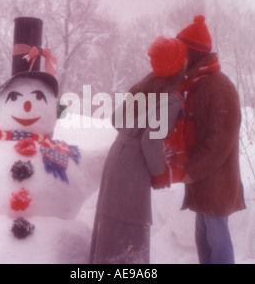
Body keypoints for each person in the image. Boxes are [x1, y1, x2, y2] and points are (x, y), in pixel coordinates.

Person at [89, 37, 187, 264]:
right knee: (128, 230)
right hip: (133, 167)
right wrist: (159, 171)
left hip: (116, 158)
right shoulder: (171, 98)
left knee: (110, 224)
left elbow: (116, 119)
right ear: (178, 66)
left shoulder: (145, 86)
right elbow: (151, 141)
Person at [175, 15, 246, 264]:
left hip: (216, 181)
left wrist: (192, 171)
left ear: (193, 53)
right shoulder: (195, 84)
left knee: (217, 238)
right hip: (204, 182)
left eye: (182, 52)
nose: (179, 58)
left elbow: (221, 142)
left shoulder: (219, 87)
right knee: (203, 238)